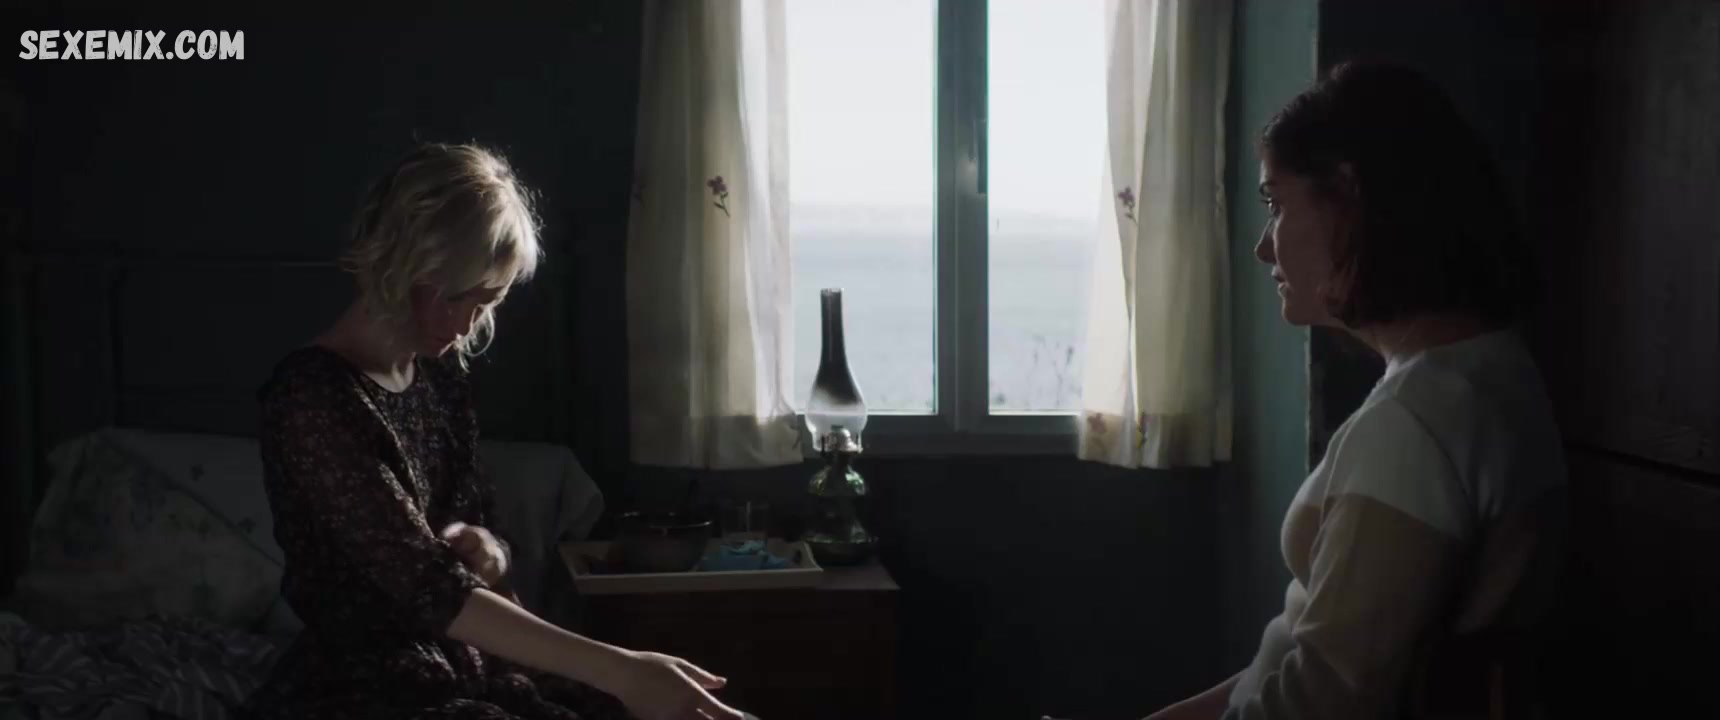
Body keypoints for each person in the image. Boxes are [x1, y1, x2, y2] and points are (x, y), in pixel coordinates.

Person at [242, 143, 747, 720]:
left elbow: (478, 536)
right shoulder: (312, 398)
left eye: (487, 303)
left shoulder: (437, 377)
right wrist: (625, 669)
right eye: (454, 297)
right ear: (396, 264)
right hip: (367, 685)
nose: (464, 325)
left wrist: (494, 556)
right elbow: (431, 589)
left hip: (467, 663)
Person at [1151, 62, 1568, 719]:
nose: (1263, 248)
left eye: (1275, 204)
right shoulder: (1489, 373)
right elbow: (1293, 661)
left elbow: (1323, 703)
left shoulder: (1417, 424)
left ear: (1349, 197)